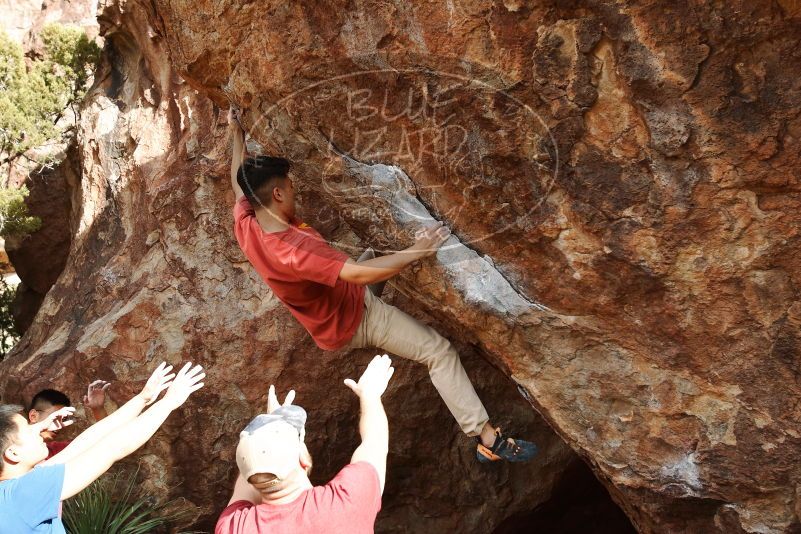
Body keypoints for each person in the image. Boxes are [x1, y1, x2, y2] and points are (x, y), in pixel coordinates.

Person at [227, 110, 536, 463]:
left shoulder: (247, 222)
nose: (296, 194)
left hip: (342, 300)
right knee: (438, 351)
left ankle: (386, 275)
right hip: (356, 319)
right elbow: (358, 274)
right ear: (279, 194)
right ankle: (487, 440)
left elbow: (238, 183)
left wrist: (235, 134)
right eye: (293, 188)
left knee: (378, 254)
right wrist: (418, 250)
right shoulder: (295, 251)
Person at [0, 361, 205, 533]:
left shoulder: (12, 492)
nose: (38, 430)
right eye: (29, 429)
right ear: (13, 453)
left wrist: (143, 398)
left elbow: (86, 442)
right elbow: (112, 448)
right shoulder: (25, 492)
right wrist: (169, 401)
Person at [216, 354, 394, 534]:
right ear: (304, 459)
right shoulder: (347, 502)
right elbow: (375, 441)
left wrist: (265, 433)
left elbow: (250, 476)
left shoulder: (233, 526)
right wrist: (370, 394)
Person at [27, 381, 111, 458]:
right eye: (55, 417)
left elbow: (104, 441)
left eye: (63, 420)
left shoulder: (58, 451)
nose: (59, 425)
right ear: (33, 416)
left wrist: (98, 409)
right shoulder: (14, 442)